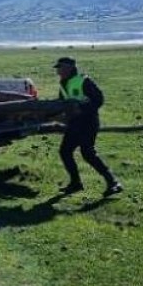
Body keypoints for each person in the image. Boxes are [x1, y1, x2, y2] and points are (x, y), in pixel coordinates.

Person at [54, 57, 123, 196]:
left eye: (60, 68)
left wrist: (82, 109)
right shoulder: (63, 83)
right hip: (74, 124)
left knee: (88, 153)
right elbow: (63, 103)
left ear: (69, 68)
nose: (58, 72)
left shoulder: (84, 81)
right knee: (65, 152)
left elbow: (99, 99)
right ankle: (76, 183)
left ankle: (113, 182)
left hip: (88, 123)